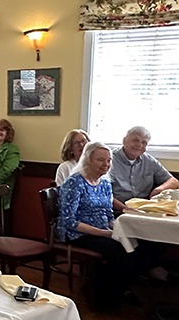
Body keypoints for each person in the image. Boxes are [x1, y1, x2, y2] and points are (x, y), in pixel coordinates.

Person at [57, 141, 139, 310]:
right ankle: (101, 298)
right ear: (88, 160)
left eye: (109, 160)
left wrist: (116, 229)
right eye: (101, 160)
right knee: (118, 252)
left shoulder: (105, 183)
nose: (106, 165)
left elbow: (109, 214)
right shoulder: (75, 182)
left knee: (136, 247)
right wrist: (102, 233)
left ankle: (113, 292)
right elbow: (68, 220)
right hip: (77, 233)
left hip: (101, 231)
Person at [109, 126, 179, 211]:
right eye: (135, 140)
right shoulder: (109, 159)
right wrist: (126, 209)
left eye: (144, 143)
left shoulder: (149, 161)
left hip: (144, 209)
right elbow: (102, 192)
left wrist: (159, 190)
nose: (139, 145)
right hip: (116, 210)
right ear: (124, 141)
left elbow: (173, 181)